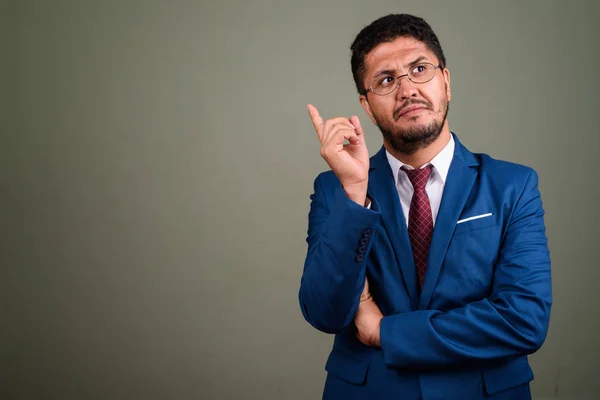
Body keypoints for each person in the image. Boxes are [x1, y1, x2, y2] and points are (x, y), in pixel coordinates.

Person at [298, 14, 552, 400]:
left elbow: (523, 321)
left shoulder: (513, 186)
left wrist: (383, 331)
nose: (407, 90)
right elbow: (324, 312)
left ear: (446, 83)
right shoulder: (336, 189)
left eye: (420, 69)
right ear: (366, 106)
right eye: (386, 80)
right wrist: (354, 193)